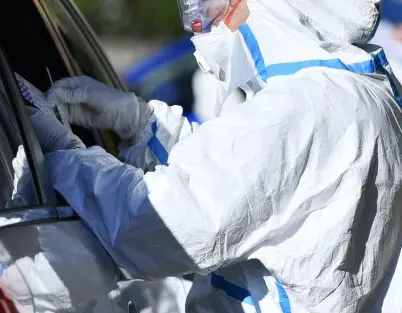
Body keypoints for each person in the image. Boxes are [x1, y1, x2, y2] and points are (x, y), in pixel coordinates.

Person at [24, 0, 402, 311]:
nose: (198, 19)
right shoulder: (354, 89)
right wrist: (142, 124)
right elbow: (242, 178)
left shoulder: (303, 107)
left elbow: (159, 224)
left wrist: (66, 154)